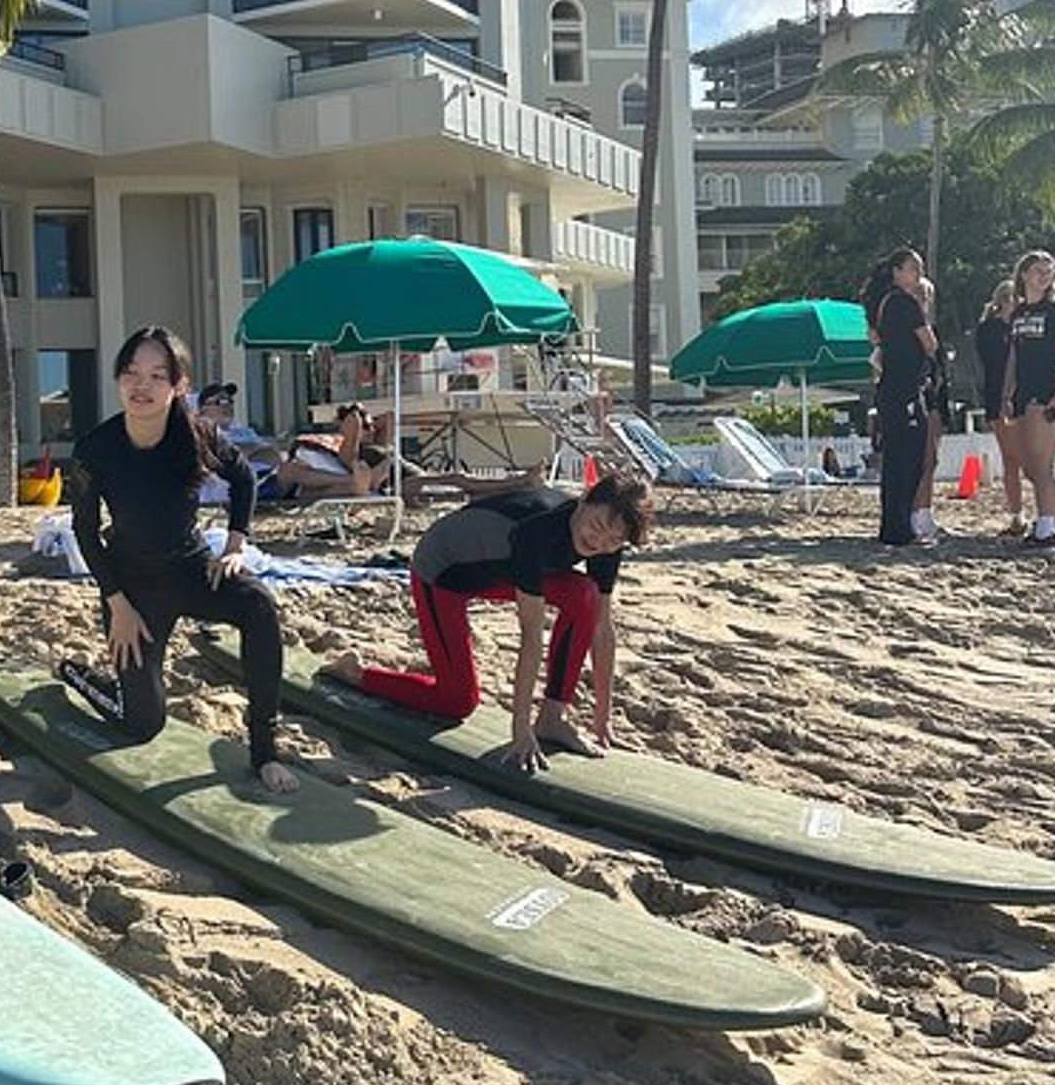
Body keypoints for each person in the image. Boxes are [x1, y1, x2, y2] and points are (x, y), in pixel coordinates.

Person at [60, 325, 298, 795]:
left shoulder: (197, 435)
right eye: (131, 373)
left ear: (179, 386)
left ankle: (265, 751)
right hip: (133, 588)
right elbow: (85, 532)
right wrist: (119, 606)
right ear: (118, 380)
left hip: (191, 569)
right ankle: (76, 674)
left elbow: (245, 477)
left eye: (156, 376)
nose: (141, 386)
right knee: (141, 724)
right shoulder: (95, 449)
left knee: (259, 605)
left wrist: (234, 547)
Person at [325, 475, 653, 772]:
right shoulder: (536, 533)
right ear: (583, 501)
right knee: (457, 701)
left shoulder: (609, 538)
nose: (599, 542)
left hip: (497, 569)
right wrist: (519, 729)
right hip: (443, 570)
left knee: (585, 595)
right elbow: (531, 636)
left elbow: (602, 630)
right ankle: (355, 672)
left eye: (613, 540)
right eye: (596, 527)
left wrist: (603, 720)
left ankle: (553, 718)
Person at [1002, 249, 1055, 552]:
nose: (1044, 276)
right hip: (1023, 392)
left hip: (1047, 391)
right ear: (1023, 274)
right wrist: (1007, 393)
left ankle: (1045, 528)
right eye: (1037, 270)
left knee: (1042, 465)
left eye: (1049, 271)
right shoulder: (1019, 313)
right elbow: (1013, 356)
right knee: (1032, 467)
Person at [861, 248, 939, 546]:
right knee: (910, 458)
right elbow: (929, 343)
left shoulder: (883, 303)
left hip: (891, 386)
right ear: (897, 271)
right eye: (912, 269)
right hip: (905, 386)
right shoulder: (905, 303)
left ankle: (892, 525)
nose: (918, 275)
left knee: (895, 459)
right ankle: (900, 527)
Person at [976, 281, 1028, 536]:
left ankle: (1023, 514)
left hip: (1021, 394)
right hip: (999, 394)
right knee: (1012, 458)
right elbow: (997, 363)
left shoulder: (1019, 328)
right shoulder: (990, 329)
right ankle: (1017, 513)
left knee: (1023, 458)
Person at [910, 276, 948, 540]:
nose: (922, 301)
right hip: (919, 395)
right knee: (920, 459)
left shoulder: (932, 329)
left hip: (936, 397)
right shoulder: (907, 329)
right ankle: (916, 513)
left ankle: (924, 511)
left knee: (931, 459)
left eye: (926, 297)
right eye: (918, 295)